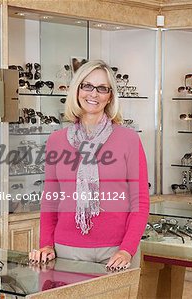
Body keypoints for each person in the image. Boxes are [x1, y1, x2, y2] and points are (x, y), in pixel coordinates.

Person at [29, 60, 150, 271]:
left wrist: (127, 249)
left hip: (116, 252)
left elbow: (139, 201)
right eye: (87, 86)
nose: (93, 94)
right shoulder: (56, 140)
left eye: (102, 88)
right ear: (77, 90)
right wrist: (46, 244)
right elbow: (50, 199)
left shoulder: (129, 139)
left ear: (110, 96)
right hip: (67, 250)